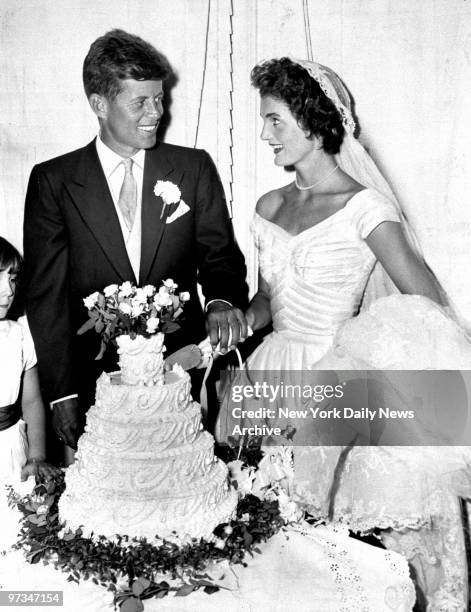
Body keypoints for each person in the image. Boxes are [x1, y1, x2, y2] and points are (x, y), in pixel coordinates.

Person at [216, 57, 471, 609]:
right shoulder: (268, 205)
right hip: (271, 375)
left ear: (312, 122)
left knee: (340, 542)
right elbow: (267, 302)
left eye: (275, 120)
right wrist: (243, 320)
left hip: (333, 387)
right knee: (269, 535)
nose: (265, 134)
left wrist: (366, 355)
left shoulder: (366, 209)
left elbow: (425, 303)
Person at [22, 29, 248, 454]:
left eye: (159, 98)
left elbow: (220, 257)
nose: (156, 112)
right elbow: (45, 297)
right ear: (99, 105)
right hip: (94, 385)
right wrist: (61, 393)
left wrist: (220, 300)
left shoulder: (193, 168)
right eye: (140, 102)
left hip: (184, 374)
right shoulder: (54, 181)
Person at [0, 237, 59, 489]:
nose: (9, 291)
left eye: (12, 278)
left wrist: (36, 456)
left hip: (12, 449)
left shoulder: (19, 333)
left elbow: (32, 401)